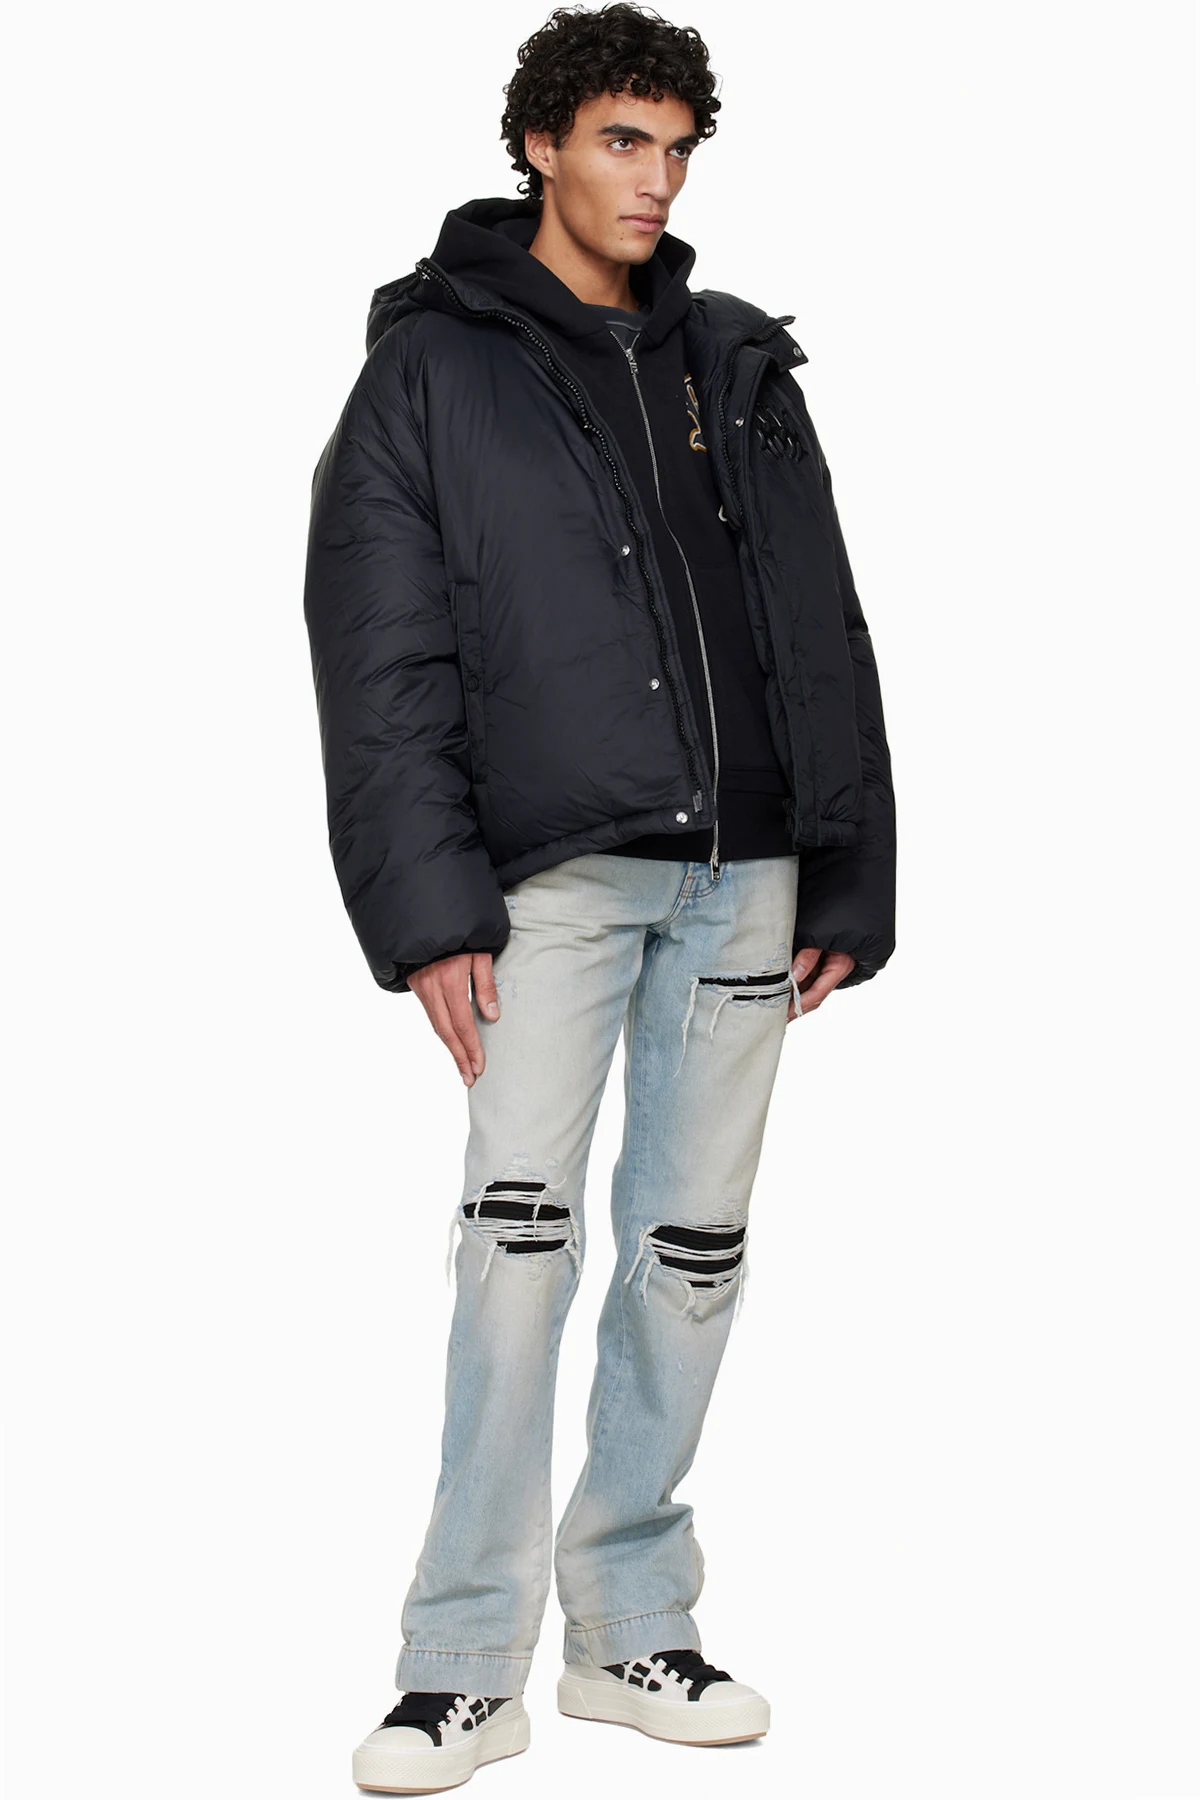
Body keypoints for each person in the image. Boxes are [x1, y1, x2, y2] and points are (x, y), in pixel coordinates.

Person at [303, 3, 896, 1788]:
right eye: (624, 141)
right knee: (516, 1249)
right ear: (543, 145)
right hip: (550, 879)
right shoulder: (434, 367)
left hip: (746, 871)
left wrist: (848, 862)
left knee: (693, 1255)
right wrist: (430, 909)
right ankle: (461, 1662)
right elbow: (379, 649)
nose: (657, 180)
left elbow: (821, 617)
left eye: (679, 148)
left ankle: (633, 1624)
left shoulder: (734, 359)